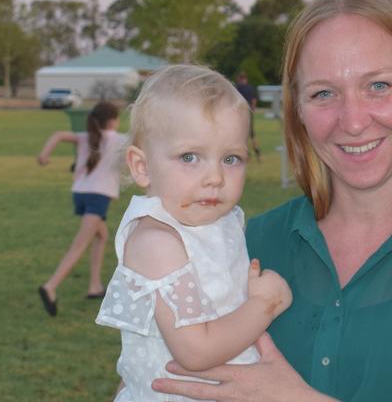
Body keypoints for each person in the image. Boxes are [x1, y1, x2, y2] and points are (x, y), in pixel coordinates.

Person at [153, 0, 392, 401]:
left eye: (378, 86)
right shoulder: (243, 242)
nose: (352, 121)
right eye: (324, 93)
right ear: (297, 108)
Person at [95, 64, 293, 401]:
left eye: (231, 159)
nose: (215, 177)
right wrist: (265, 304)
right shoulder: (156, 242)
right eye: (190, 157)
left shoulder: (223, 220)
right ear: (142, 167)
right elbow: (195, 351)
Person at [36, 101, 124, 316]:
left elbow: (58, 135)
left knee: (101, 236)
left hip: (80, 193)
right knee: (79, 245)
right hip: (98, 197)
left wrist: (44, 155)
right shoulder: (119, 139)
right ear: (113, 121)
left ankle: (94, 286)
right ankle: (51, 286)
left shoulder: (86, 136)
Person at [234, 72, 261, 162]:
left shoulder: (239, 88)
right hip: (250, 112)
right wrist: (253, 109)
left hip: (242, 113)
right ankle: (258, 154)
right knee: (252, 134)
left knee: (242, 134)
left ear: (240, 79)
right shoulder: (251, 88)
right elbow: (254, 100)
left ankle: (246, 155)